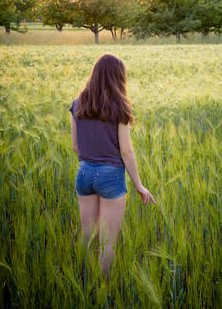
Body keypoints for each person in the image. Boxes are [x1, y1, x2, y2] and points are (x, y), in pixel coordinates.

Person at [69, 53, 156, 280]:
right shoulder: (120, 106)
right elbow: (126, 151)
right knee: (108, 242)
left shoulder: (78, 103)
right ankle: (102, 289)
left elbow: (75, 146)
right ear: (119, 77)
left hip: (84, 173)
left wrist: (91, 162)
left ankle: (79, 279)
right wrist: (139, 185)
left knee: (86, 234)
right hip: (111, 177)